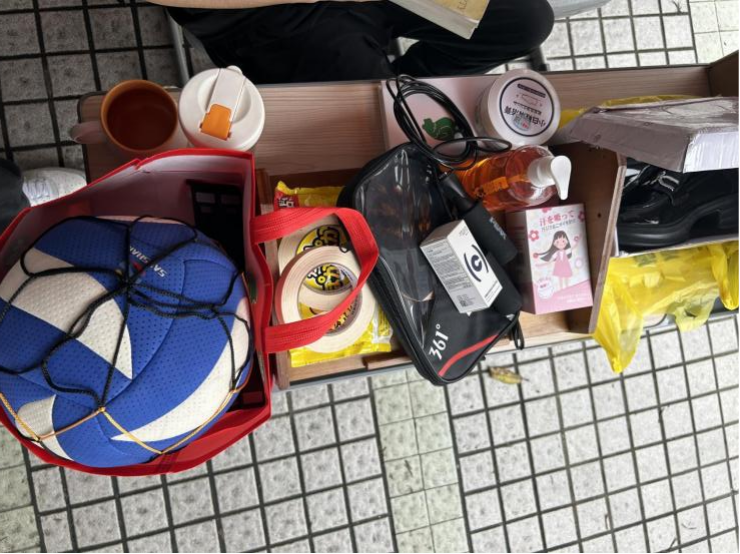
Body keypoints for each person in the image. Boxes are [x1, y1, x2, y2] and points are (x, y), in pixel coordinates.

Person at [157, 0, 555, 84]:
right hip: (270, 17)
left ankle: (410, 86)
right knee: (376, 125)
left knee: (524, 21)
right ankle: (393, 95)